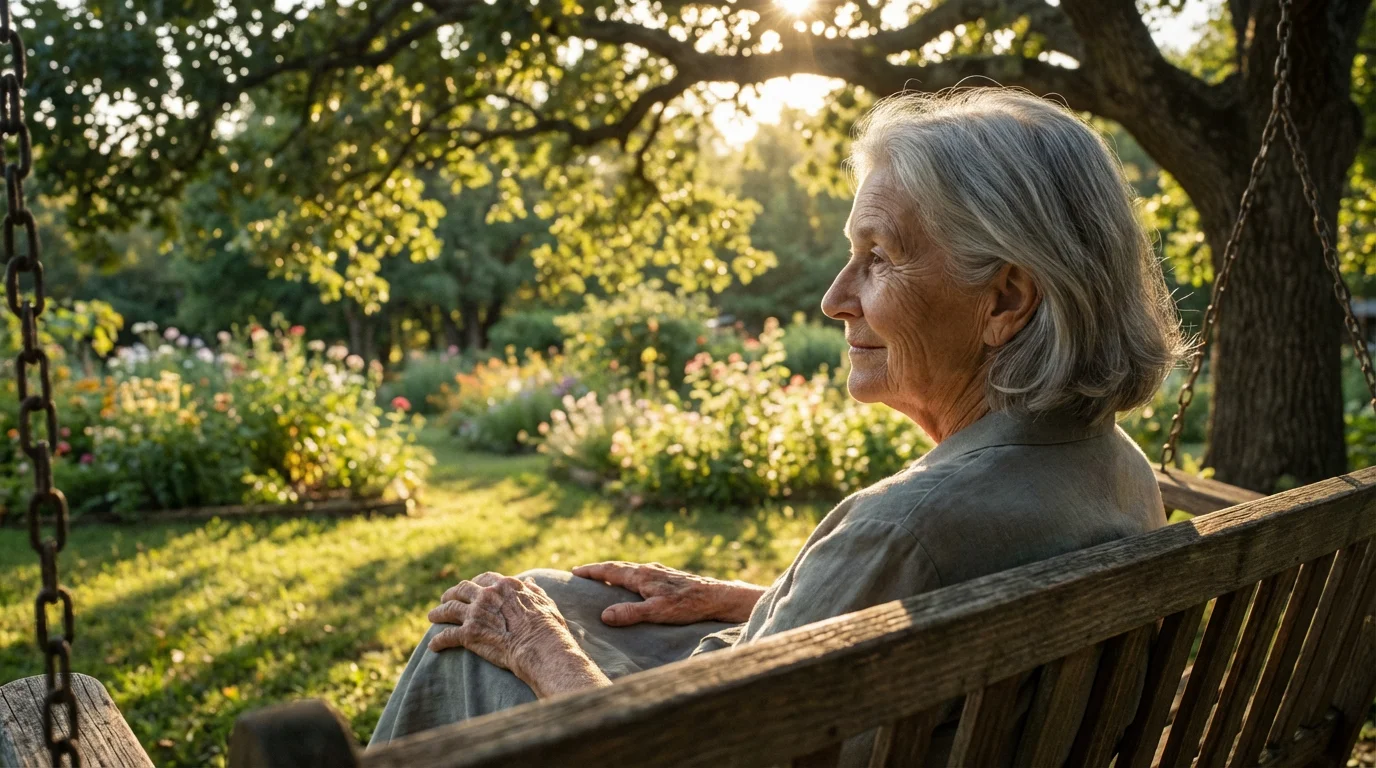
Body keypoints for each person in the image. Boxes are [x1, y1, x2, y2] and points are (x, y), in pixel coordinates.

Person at [368, 88, 1186, 764]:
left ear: (1004, 301)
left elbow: (696, 757)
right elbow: (949, 625)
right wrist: (764, 601)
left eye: (878, 257)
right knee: (555, 595)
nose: (835, 298)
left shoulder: (905, 532)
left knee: (485, 630)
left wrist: (542, 652)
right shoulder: (1113, 469)